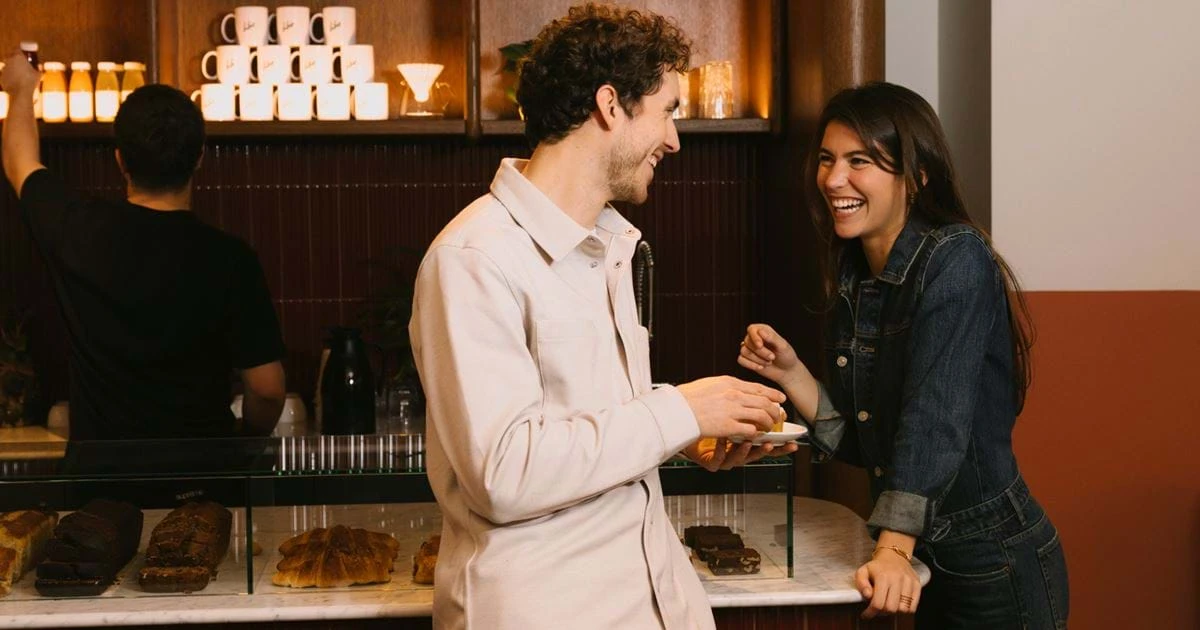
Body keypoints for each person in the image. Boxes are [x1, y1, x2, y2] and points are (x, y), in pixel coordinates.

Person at [409, 5, 795, 629]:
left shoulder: (606, 245)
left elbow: (585, 420)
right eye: (668, 110)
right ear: (611, 105)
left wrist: (683, 436)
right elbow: (503, 474)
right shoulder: (472, 257)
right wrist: (681, 410)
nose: (675, 138)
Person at [738, 82, 1069, 628]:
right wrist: (791, 373)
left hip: (994, 561)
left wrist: (892, 549)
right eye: (826, 159)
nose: (833, 179)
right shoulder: (857, 273)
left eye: (859, 161)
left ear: (916, 178)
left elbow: (933, 423)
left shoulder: (956, 258)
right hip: (924, 557)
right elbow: (868, 442)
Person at [1, 53, 286, 440]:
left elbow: (20, 161)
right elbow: (267, 390)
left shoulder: (76, 230)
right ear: (200, 157)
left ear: (120, 161)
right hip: (201, 484)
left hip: (101, 487)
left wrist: (21, 88)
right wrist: (248, 441)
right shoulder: (231, 259)